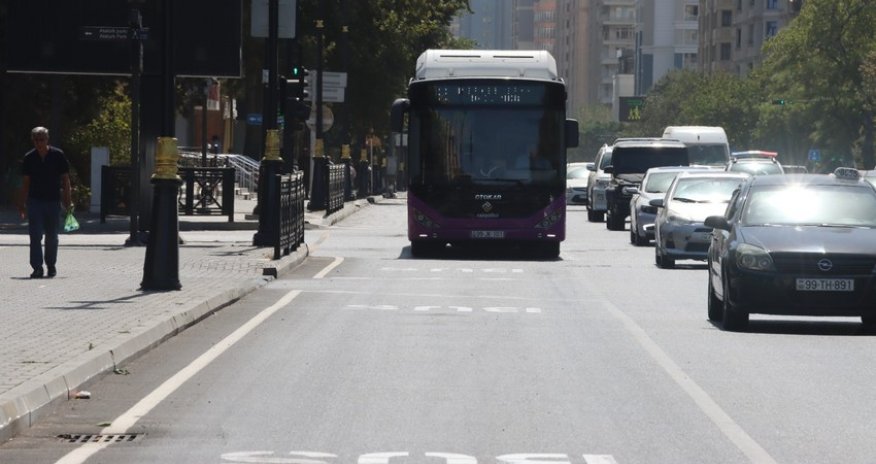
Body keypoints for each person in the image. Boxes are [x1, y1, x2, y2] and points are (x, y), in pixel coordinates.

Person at [18, 126, 72, 279]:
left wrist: (68, 201)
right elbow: (26, 183)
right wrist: (21, 204)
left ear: (47, 140)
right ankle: (37, 268)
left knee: (52, 236)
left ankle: (51, 265)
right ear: (32, 140)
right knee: (35, 235)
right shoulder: (29, 158)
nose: (39, 143)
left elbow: (66, 180)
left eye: (42, 139)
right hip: (35, 201)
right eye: (36, 140)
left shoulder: (58, 155)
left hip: (53, 201)